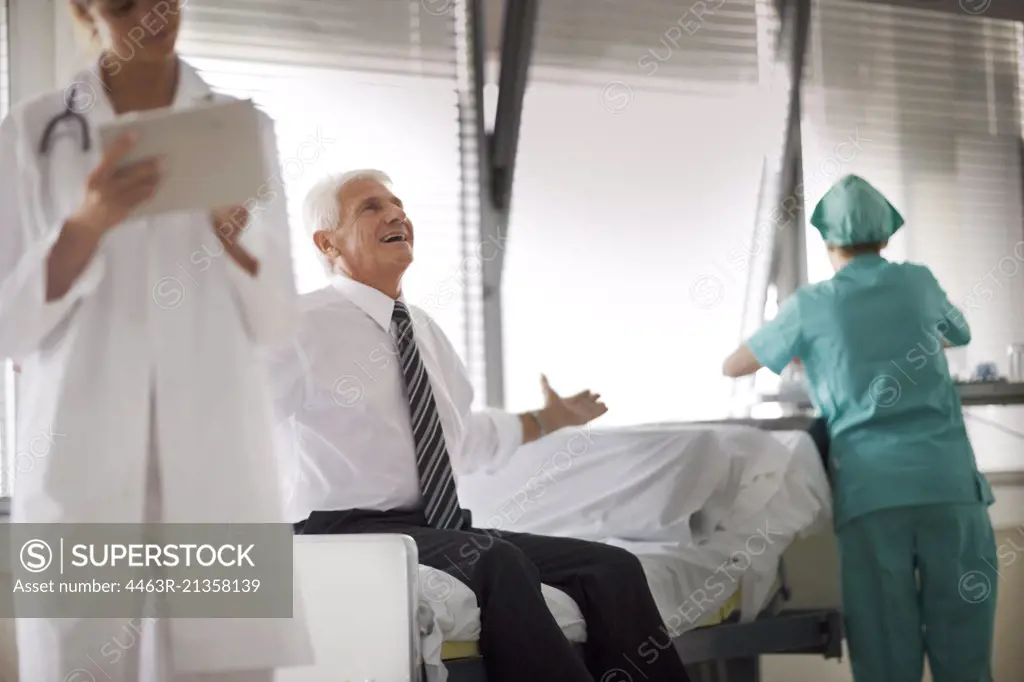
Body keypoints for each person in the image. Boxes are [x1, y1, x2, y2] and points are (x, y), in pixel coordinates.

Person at [268, 168, 692, 682]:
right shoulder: (297, 325)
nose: (396, 214)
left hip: (432, 527)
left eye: (397, 204)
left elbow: (463, 439)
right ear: (326, 242)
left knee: (612, 567)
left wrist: (548, 419)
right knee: (498, 561)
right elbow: (239, 424)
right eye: (371, 208)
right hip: (343, 529)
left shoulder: (422, 328)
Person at [0, 1, 311, 680]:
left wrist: (236, 240)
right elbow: (10, 325)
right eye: (124, 3)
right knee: (80, 662)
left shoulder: (242, 129)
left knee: (225, 665)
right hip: (78, 447)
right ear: (85, 9)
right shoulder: (32, 131)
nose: (152, 15)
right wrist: (85, 224)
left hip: (216, 444)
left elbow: (279, 322)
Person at [721, 175, 998, 682]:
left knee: (886, 650)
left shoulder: (812, 304)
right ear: (886, 235)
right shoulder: (918, 281)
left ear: (828, 242)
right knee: (965, 643)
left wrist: (812, 346)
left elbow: (735, 365)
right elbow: (958, 333)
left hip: (873, 495)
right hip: (948, 486)